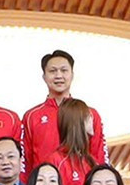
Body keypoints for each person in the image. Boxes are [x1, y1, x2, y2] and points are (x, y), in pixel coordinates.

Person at [23, 49, 107, 177]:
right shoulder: (31, 116)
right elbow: (26, 161)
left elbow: (99, 155)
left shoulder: (89, 114)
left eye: (64, 70)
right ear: (44, 77)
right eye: (52, 71)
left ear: (72, 75)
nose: (58, 76)